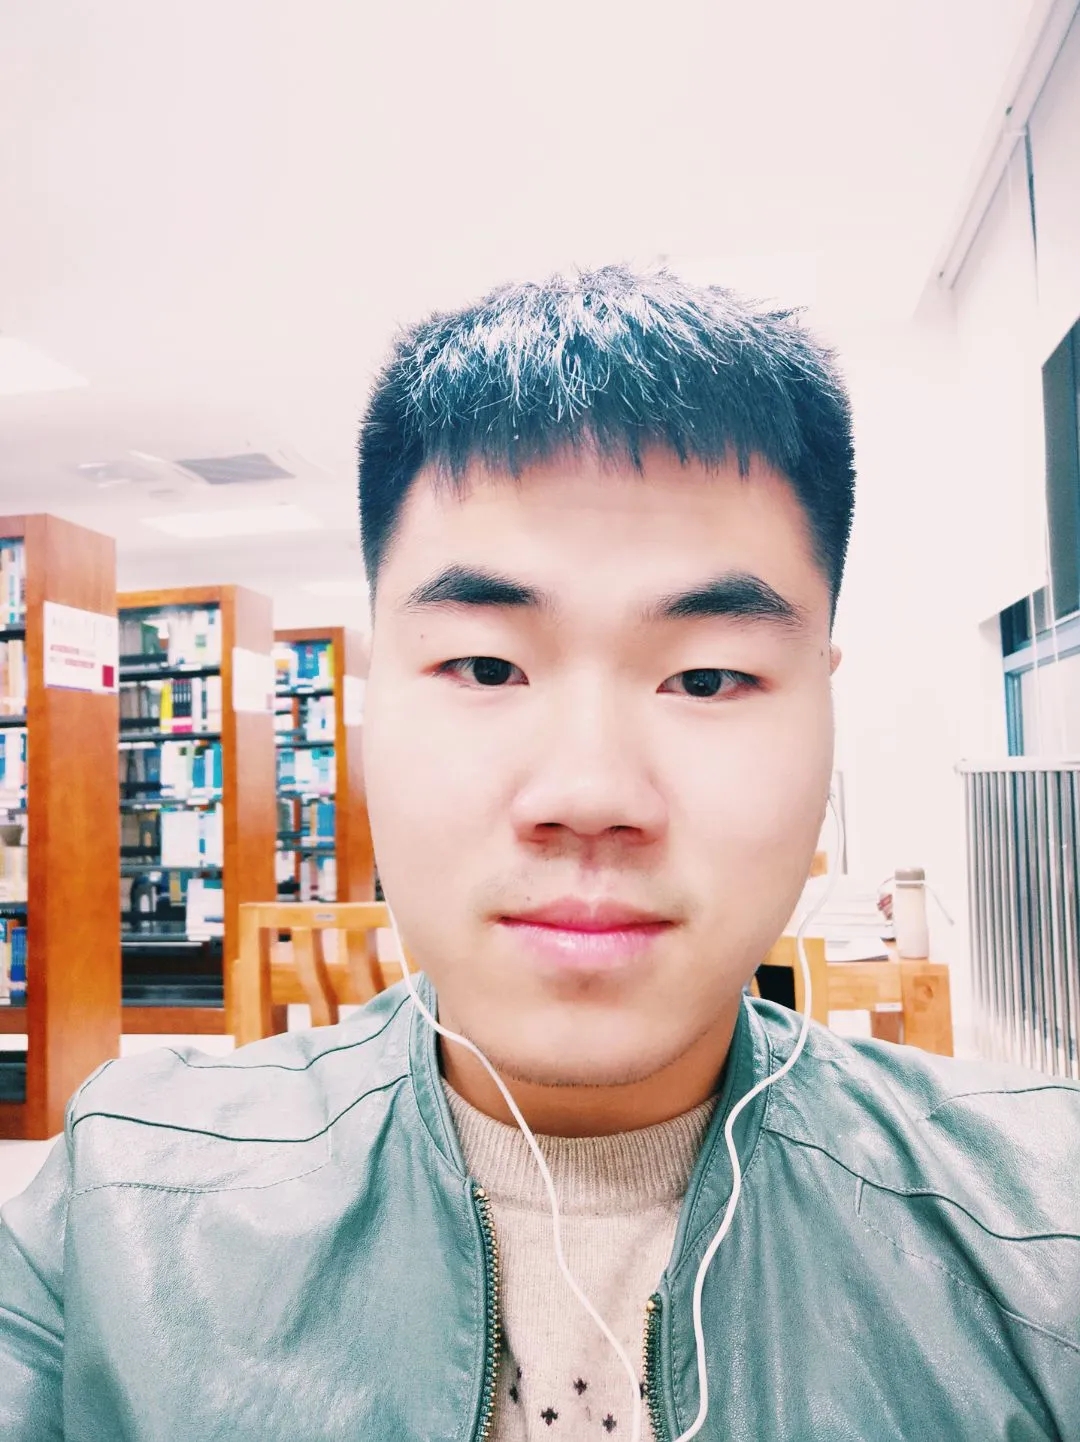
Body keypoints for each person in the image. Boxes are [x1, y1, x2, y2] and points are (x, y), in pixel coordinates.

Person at [1, 267, 1078, 1442]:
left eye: (707, 676)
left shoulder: (1044, 1228)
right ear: (369, 701)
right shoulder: (117, 1215)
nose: (590, 793)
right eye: (485, 666)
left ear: (824, 709)